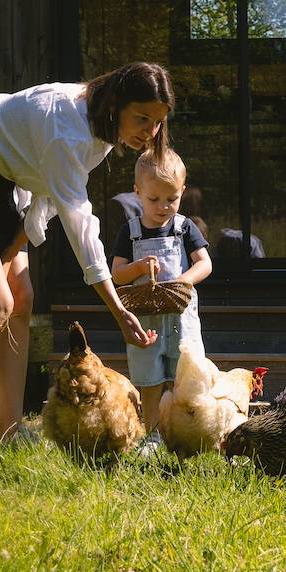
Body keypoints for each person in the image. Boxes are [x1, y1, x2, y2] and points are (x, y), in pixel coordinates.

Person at [0, 61, 173, 449]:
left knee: (21, 299)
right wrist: (119, 311)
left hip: (4, 183)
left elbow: (50, 194)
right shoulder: (67, 129)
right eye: (142, 118)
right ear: (117, 103)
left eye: (157, 122)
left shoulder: (100, 131)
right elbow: (79, 224)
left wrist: (16, 244)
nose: (150, 132)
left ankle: (10, 430)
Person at [110, 147, 212, 444]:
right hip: (147, 320)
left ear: (182, 191)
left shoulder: (185, 228)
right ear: (137, 192)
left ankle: (181, 433)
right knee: (151, 379)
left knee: (183, 377)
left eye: (172, 199)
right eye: (154, 199)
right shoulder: (129, 232)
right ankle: (153, 436)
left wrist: (184, 280)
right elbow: (117, 274)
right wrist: (139, 267)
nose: (163, 206)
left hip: (181, 318)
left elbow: (205, 263)